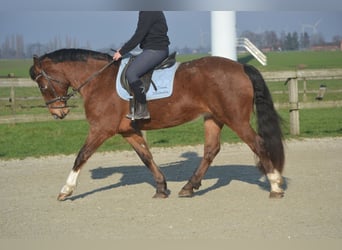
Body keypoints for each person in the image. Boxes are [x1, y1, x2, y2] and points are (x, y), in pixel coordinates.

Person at [113, 11, 170, 120]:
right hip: (153, 48)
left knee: (131, 73)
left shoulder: (147, 11)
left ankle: (143, 110)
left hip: (156, 50)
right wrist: (123, 49)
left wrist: (122, 52)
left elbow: (139, 35)